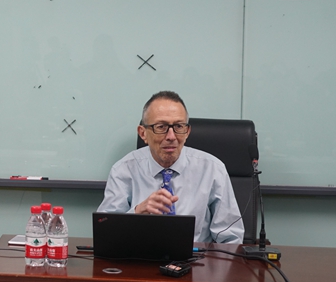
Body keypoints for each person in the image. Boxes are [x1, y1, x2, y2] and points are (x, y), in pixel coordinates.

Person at [97, 91, 243, 243]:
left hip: (196, 256)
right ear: (143, 133)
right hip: (139, 255)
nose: (171, 136)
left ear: (187, 132)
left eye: (179, 126)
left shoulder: (213, 170)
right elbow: (105, 233)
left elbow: (231, 239)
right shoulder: (123, 170)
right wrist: (138, 212)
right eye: (161, 127)